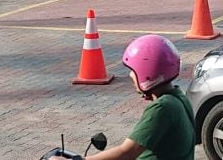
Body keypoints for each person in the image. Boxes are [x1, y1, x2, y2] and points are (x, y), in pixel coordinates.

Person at [50, 35, 194, 160]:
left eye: (133, 71)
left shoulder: (162, 108)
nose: (131, 75)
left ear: (147, 73)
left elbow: (127, 153)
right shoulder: (179, 97)